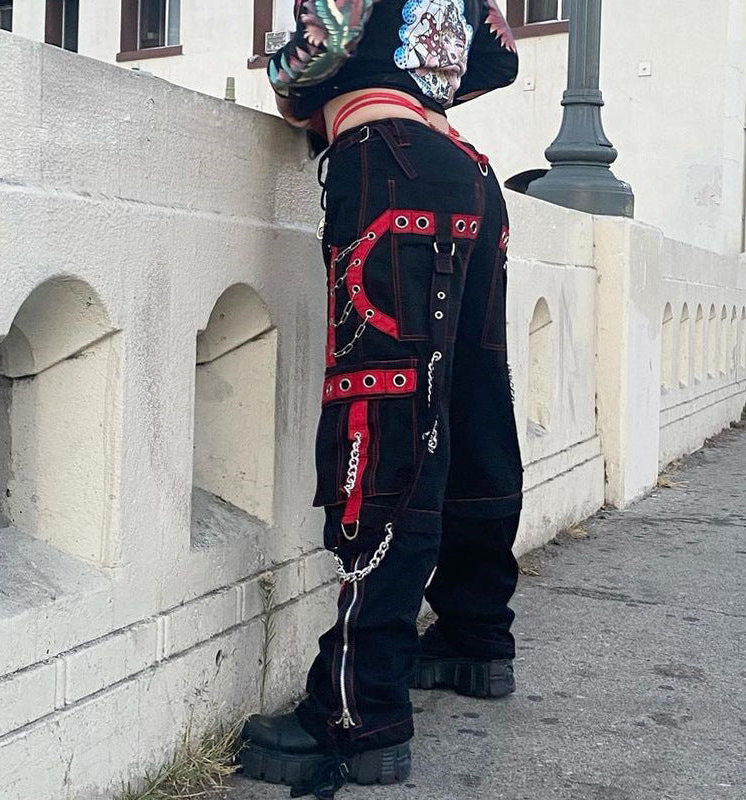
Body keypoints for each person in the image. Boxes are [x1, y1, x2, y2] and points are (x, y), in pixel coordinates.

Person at [241, 2, 523, 797]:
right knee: (472, 409)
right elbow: (500, 57)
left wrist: (288, 87)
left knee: (388, 415)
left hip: (387, 168)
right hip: (467, 176)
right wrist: (422, 84)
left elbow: (323, 41)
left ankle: (357, 709)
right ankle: (475, 636)